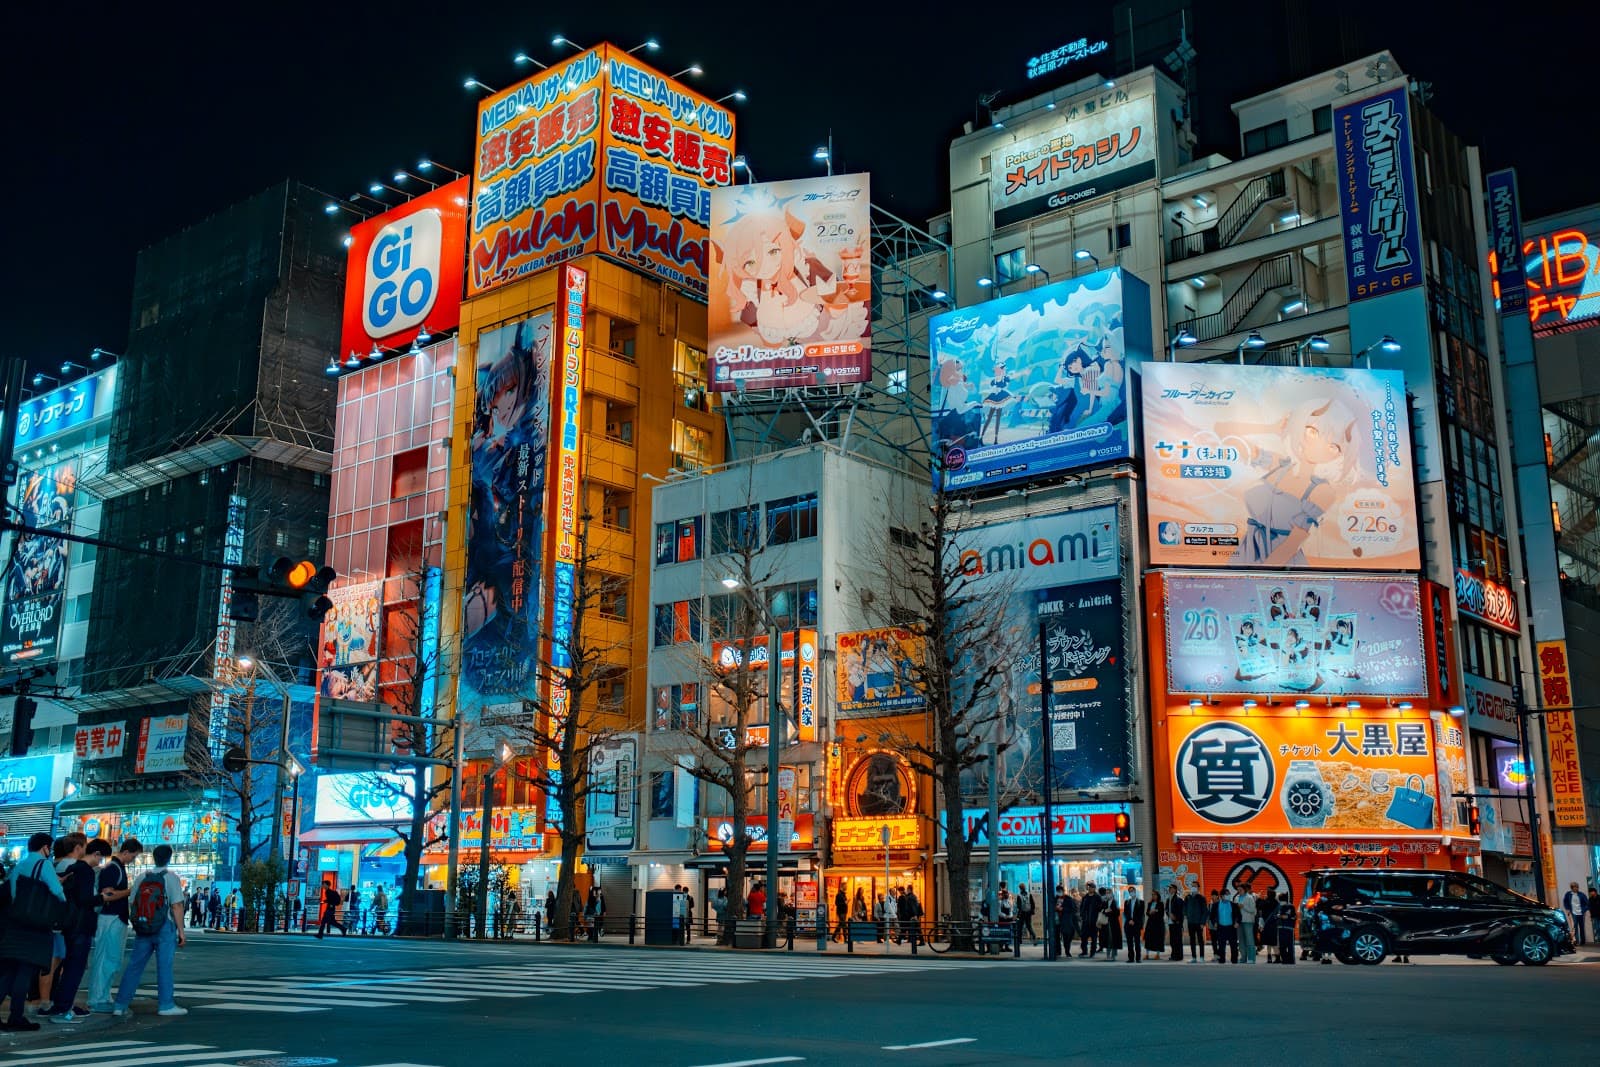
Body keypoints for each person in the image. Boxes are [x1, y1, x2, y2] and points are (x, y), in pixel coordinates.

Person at [111, 844, 187, 1018]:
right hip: (164, 927)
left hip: (143, 927)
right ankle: (166, 1005)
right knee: (164, 967)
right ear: (169, 858)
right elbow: (176, 906)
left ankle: (120, 1004)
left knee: (134, 966)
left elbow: (133, 901)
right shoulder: (171, 877)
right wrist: (181, 932)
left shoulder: (141, 877)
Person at [0, 832, 65, 1031]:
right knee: (24, 973)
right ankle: (16, 1017)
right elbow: (57, 892)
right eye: (50, 848)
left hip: (14, 925)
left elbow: (12, 894)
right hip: (35, 927)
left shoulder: (19, 866)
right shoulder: (43, 864)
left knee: (8, 973)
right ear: (45, 847)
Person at [42, 834, 103, 1022]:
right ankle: (63, 1008)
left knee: (67, 966)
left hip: (67, 924)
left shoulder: (68, 868)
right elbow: (84, 899)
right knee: (74, 968)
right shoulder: (84, 871)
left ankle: (59, 1005)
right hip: (81, 924)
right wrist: (102, 898)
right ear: (80, 847)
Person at [85, 838, 141, 1013]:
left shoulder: (115, 867)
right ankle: (97, 998)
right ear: (125, 852)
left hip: (114, 917)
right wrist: (130, 891)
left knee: (111, 959)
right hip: (111, 917)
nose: (133, 860)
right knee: (106, 959)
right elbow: (107, 893)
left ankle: (103, 996)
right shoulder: (113, 868)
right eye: (133, 856)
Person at [1209, 889, 1238, 963]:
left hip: (1231, 927)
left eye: (1229, 894)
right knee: (1221, 945)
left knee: (1233, 945)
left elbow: (1238, 915)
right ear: (1222, 896)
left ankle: (1234, 960)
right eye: (1227, 894)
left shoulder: (1233, 904)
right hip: (1221, 927)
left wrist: (1237, 922)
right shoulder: (1216, 905)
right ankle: (1222, 959)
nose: (1228, 896)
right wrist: (1214, 922)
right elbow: (1212, 916)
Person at [1184, 885, 1208, 962]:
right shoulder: (1188, 897)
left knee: (1200, 940)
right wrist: (1187, 914)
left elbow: (1205, 911)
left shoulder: (1201, 898)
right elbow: (1184, 908)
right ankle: (1194, 957)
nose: (1193, 888)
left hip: (1199, 923)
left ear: (1198, 888)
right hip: (1190, 922)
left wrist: (1202, 922)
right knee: (1192, 940)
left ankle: (1201, 957)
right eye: (1192, 886)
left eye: (1195, 886)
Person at [1235, 885, 1258, 964]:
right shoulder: (1237, 898)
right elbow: (1235, 911)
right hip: (1239, 921)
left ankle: (1251, 958)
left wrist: (1243, 907)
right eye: (1238, 889)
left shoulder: (1250, 897)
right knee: (1241, 941)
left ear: (1244, 889)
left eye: (1240, 889)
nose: (1239, 891)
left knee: (1249, 940)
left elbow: (1253, 910)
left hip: (1248, 921)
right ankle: (1243, 958)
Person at [1079, 884, 1101, 957]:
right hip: (1085, 920)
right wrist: (1082, 914)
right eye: (1089, 887)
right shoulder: (1085, 897)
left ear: (1094, 888)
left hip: (1094, 920)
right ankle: (1084, 951)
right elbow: (1082, 906)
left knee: (1094, 938)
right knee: (1084, 937)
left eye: (1091, 887)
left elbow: (1100, 908)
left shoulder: (1097, 897)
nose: (1090, 889)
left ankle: (1092, 952)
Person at [1563, 882, 1589, 946]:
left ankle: (1583, 941)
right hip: (1573, 913)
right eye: (1574, 887)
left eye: (1577, 887)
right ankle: (1576, 941)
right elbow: (1565, 902)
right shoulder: (1568, 894)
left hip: (1581, 913)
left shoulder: (1581, 894)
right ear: (1572, 888)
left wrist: (1584, 910)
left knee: (1582, 927)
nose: (1576, 888)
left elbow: (1587, 903)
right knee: (1575, 927)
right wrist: (1568, 909)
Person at [1274, 893, 1297, 964]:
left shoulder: (1287, 906)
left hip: (1286, 928)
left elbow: (1294, 916)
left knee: (1286, 945)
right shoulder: (1281, 907)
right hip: (1284, 928)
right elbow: (1276, 916)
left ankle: (1288, 960)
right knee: (1285, 946)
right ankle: (1288, 960)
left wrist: (1286, 917)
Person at [1165, 884, 1185, 961]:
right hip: (1170, 922)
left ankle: (1179, 956)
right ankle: (1173, 955)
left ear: (1175, 889)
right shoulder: (1168, 899)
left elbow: (1181, 912)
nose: (1169, 889)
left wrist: (1177, 919)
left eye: (1171, 888)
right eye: (1169, 888)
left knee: (1178, 940)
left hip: (1177, 923)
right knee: (1172, 940)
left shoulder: (1179, 899)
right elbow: (1166, 909)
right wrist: (1169, 914)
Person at [1100, 892, 1121, 959]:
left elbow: (1117, 913)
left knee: (1114, 939)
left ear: (1112, 894)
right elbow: (1101, 910)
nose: (1108, 895)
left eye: (1109, 893)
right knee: (1107, 939)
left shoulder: (1115, 902)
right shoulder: (1105, 902)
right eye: (1107, 893)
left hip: (1114, 923)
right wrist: (1106, 911)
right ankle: (1108, 955)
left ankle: (1113, 955)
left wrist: (1111, 911)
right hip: (1106, 922)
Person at [1143, 894, 1165, 960]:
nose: (1153, 896)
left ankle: (1157, 954)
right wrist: (1149, 912)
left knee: (1158, 938)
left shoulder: (1161, 904)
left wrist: (1156, 911)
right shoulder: (1150, 903)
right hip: (1150, 923)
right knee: (1148, 938)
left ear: (1158, 896)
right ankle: (1147, 954)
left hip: (1158, 923)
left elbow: (1162, 913)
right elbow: (1147, 912)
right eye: (1152, 895)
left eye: (1155, 895)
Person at [1125, 894, 1145, 963]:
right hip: (1129, 924)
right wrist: (1129, 920)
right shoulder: (1127, 902)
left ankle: (1138, 958)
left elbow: (1141, 914)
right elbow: (1126, 912)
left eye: (1132, 891)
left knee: (1137, 942)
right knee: (1129, 942)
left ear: (1135, 892)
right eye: (1130, 891)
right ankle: (1131, 958)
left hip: (1136, 925)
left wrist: (1134, 921)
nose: (1131, 893)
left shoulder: (1141, 902)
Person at [1261, 890, 1280, 963]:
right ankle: (1277, 957)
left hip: (1266, 924)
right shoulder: (1276, 903)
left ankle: (1269, 958)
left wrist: (1262, 899)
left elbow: (1260, 907)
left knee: (1268, 942)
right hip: (1274, 924)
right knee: (1274, 942)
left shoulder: (1265, 902)